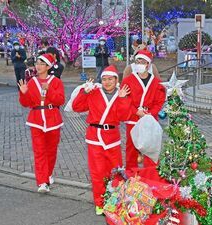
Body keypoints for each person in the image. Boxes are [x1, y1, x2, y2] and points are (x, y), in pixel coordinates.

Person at [66, 66, 132, 214]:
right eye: (104, 79)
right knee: (97, 172)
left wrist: (122, 99)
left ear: (116, 80)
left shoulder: (122, 94)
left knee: (116, 172)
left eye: (110, 79)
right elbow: (77, 107)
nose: (107, 82)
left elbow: (124, 116)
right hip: (95, 137)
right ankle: (100, 202)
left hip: (112, 138)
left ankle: (114, 201)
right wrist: (84, 92)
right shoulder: (94, 92)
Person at [17, 53, 65, 193]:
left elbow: (60, 101)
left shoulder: (56, 82)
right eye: (37, 63)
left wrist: (49, 91)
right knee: (39, 152)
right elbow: (27, 104)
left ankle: (48, 174)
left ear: (48, 66)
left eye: (42, 63)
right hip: (36, 120)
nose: (38, 66)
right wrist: (24, 93)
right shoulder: (32, 82)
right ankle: (42, 182)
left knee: (51, 151)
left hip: (53, 120)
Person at [121, 49, 166, 170]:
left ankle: (150, 175)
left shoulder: (157, 83)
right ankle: (131, 174)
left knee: (150, 147)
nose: (140, 64)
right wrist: (136, 111)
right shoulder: (127, 80)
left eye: (142, 61)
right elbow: (124, 99)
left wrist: (149, 114)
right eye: (137, 61)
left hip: (150, 119)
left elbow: (159, 101)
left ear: (148, 64)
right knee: (131, 147)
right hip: (133, 118)